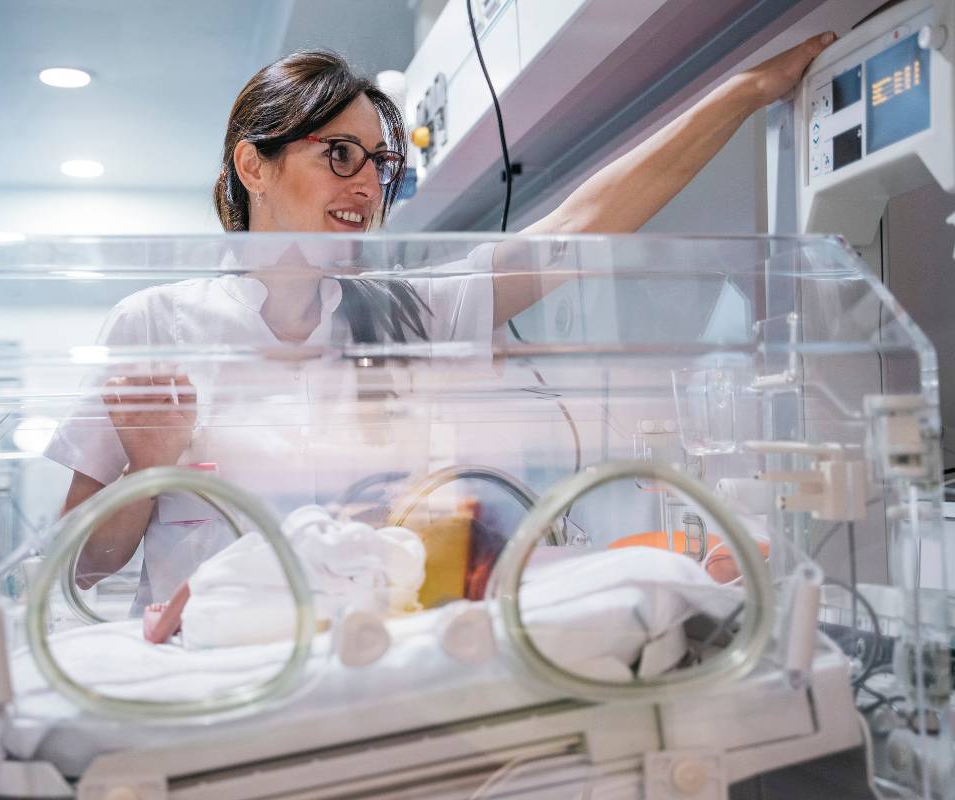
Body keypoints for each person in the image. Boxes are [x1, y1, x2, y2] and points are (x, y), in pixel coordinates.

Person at [45, 33, 837, 615]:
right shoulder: (154, 323)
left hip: (381, 672)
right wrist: (149, 470)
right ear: (254, 165)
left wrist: (742, 92)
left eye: (380, 165)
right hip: (213, 677)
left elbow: (582, 224)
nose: (367, 187)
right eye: (339, 156)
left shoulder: (403, 312)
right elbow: (82, 566)